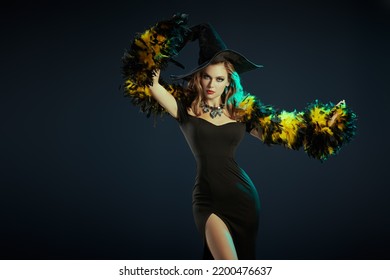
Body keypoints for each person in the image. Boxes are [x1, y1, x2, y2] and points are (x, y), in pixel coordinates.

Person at [121, 14, 357, 260]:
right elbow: (150, 82)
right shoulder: (184, 108)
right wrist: (159, 40)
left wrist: (325, 125)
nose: (212, 84)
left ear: (228, 82)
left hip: (243, 200)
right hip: (206, 199)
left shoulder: (240, 112)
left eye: (219, 78)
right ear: (198, 78)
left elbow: (283, 132)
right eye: (206, 76)